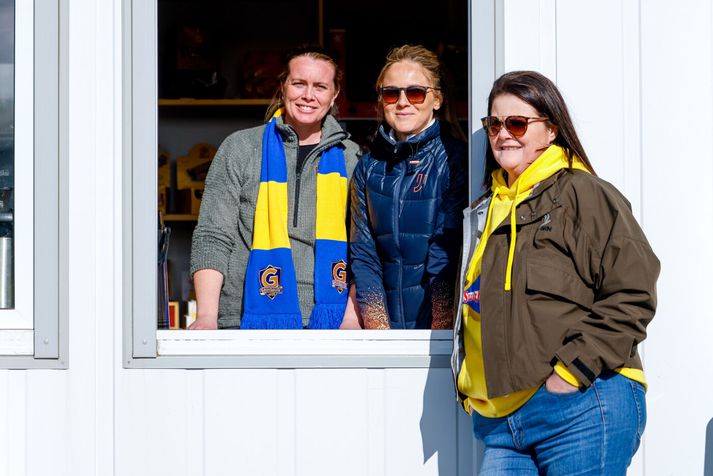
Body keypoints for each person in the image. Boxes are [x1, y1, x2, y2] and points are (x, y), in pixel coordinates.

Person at [452, 70, 660, 474]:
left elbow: (633, 290)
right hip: (500, 423)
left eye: (517, 123)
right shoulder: (485, 210)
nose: (503, 134)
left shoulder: (582, 193)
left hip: (580, 406)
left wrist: (571, 373)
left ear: (550, 130)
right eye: (494, 123)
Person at [189, 48, 361, 330]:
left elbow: (364, 250)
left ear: (334, 95)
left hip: (330, 323)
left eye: (320, 86)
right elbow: (213, 235)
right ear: (283, 87)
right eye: (299, 83)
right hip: (244, 319)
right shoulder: (240, 148)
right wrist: (207, 317)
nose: (308, 95)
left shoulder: (353, 158)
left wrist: (351, 319)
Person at [347, 45, 467, 330]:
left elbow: (447, 250)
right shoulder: (367, 167)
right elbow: (364, 254)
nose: (402, 102)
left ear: (437, 99)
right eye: (391, 93)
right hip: (384, 331)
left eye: (415, 93)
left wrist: (440, 332)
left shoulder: (456, 159)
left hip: (440, 326)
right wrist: (379, 330)